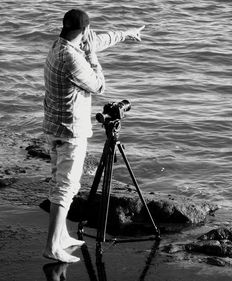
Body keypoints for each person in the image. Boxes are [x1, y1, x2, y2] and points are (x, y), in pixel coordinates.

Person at [42, 8, 145, 263]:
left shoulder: (59, 45)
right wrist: (92, 55)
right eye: (89, 32)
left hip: (54, 127)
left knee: (62, 182)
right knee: (66, 187)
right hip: (70, 131)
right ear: (85, 29)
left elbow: (95, 42)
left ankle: (62, 236)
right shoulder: (72, 58)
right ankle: (52, 245)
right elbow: (99, 85)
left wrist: (125, 34)